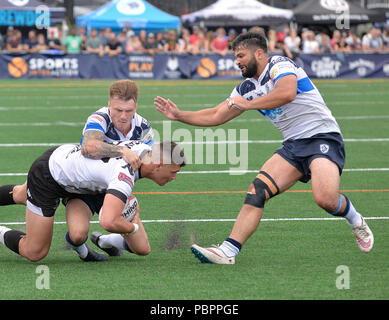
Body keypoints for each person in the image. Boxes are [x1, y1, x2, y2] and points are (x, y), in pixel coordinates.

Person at [154, 31, 374, 265]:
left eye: (241, 55)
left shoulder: (279, 65)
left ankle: (355, 219)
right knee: (257, 190)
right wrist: (179, 115)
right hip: (293, 145)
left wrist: (248, 105)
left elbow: (287, 92)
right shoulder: (245, 88)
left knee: (326, 199)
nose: (236, 61)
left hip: (322, 136)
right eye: (235, 56)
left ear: (259, 53)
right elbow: (217, 115)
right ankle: (228, 252)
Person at [0, 80, 155, 261]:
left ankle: (104, 241)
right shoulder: (99, 118)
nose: (123, 116)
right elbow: (88, 147)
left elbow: (147, 164)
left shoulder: (144, 128)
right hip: (71, 176)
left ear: (136, 106)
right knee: (21, 197)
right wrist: (122, 151)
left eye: (128, 111)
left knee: (86, 236)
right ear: (109, 105)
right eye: (118, 110)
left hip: (108, 185)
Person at [0, 140, 186, 262]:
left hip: (85, 181)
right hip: (51, 174)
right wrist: (132, 226)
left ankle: (103, 242)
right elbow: (108, 221)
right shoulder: (123, 177)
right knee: (35, 251)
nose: (175, 177)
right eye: (173, 172)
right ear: (158, 164)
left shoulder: (145, 148)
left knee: (141, 248)